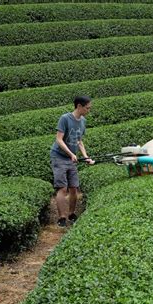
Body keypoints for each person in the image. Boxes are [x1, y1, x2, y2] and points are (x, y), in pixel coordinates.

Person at [50, 95, 95, 227]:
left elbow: (79, 141)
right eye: (87, 108)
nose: (89, 110)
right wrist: (70, 153)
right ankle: (62, 217)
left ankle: (71, 213)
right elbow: (59, 139)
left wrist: (86, 156)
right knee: (62, 188)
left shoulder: (83, 121)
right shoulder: (65, 118)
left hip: (71, 158)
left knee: (74, 188)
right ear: (79, 106)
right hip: (59, 157)